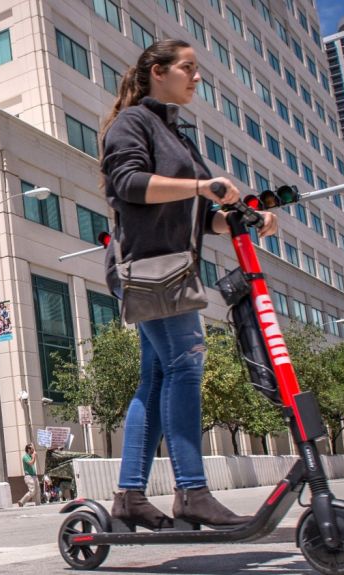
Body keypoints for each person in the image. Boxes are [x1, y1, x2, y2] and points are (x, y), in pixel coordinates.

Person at [100, 39, 278, 530]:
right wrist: (202, 186)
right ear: (158, 72)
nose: (196, 77)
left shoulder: (175, 132)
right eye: (188, 68)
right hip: (148, 268)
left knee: (157, 377)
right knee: (186, 364)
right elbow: (128, 185)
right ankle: (191, 492)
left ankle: (130, 496)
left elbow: (200, 219)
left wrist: (246, 219)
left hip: (172, 267)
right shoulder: (132, 123)